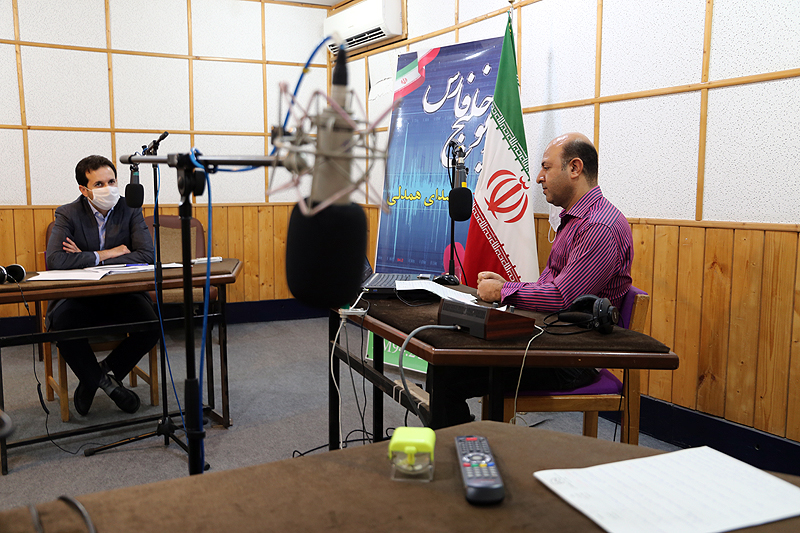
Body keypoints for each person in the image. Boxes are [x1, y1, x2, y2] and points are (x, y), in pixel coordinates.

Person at [438, 132, 633, 426]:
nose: (539, 177)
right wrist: (506, 285)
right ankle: (467, 444)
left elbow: (562, 299)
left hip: (572, 357)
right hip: (554, 341)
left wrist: (503, 291)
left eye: (546, 167)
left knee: (448, 372)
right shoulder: (575, 220)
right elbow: (551, 288)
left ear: (575, 168)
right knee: (447, 359)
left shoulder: (598, 227)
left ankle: (464, 448)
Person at [46, 155, 160, 416]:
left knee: (152, 326)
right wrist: (108, 253)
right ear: (84, 190)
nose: (108, 188)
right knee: (62, 327)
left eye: (111, 181)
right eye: (99, 184)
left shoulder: (130, 209)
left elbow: (146, 255)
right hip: (80, 296)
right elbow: (56, 260)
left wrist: (85, 257)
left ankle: (96, 377)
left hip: (122, 293)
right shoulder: (67, 213)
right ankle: (107, 384)